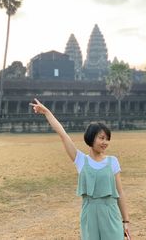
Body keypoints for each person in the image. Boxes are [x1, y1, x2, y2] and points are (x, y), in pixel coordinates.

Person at [30, 98, 132, 240]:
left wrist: (126, 221)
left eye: (107, 139)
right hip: (89, 214)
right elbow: (63, 134)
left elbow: (120, 192)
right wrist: (46, 112)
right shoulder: (81, 160)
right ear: (91, 138)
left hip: (111, 213)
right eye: (101, 138)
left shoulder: (113, 162)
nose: (105, 142)